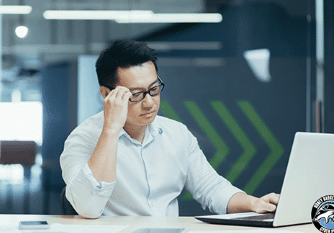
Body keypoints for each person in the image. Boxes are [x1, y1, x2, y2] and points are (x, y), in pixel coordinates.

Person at [60, 39, 279, 218]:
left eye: (154, 89)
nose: (149, 103)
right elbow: (87, 207)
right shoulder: (82, 139)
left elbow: (210, 187)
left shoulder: (177, 134)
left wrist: (254, 203)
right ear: (107, 95)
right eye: (135, 95)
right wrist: (110, 130)